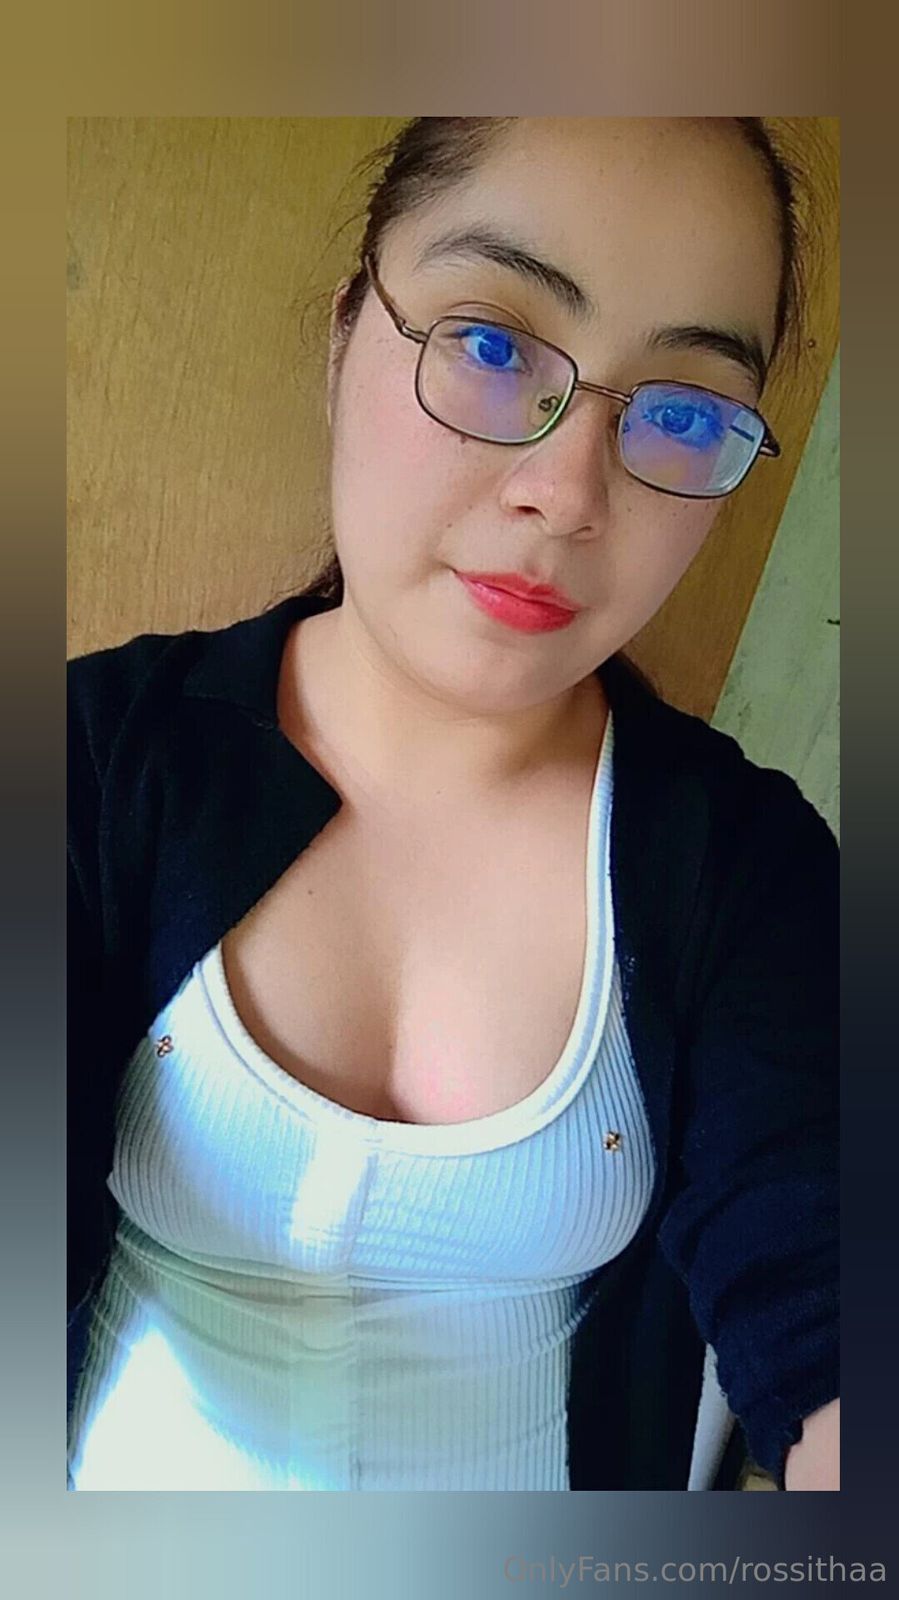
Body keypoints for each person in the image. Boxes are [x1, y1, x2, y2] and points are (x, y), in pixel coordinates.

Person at [67, 116, 839, 1492]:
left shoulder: (748, 867)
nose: (567, 493)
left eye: (682, 412)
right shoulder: (93, 757)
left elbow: (825, 1278)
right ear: (346, 333)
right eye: (491, 344)